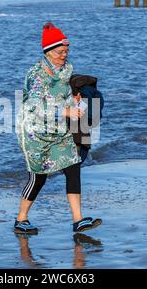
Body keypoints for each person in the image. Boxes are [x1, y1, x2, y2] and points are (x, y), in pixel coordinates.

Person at [15, 22, 102, 234]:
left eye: (66, 51)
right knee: (38, 177)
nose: (65, 55)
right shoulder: (36, 75)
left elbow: (62, 96)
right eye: (61, 52)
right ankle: (21, 219)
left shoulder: (65, 70)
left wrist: (73, 99)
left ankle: (78, 220)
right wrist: (66, 112)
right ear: (48, 52)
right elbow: (34, 106)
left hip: (59, 129)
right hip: (35, 131)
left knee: (73, 167)